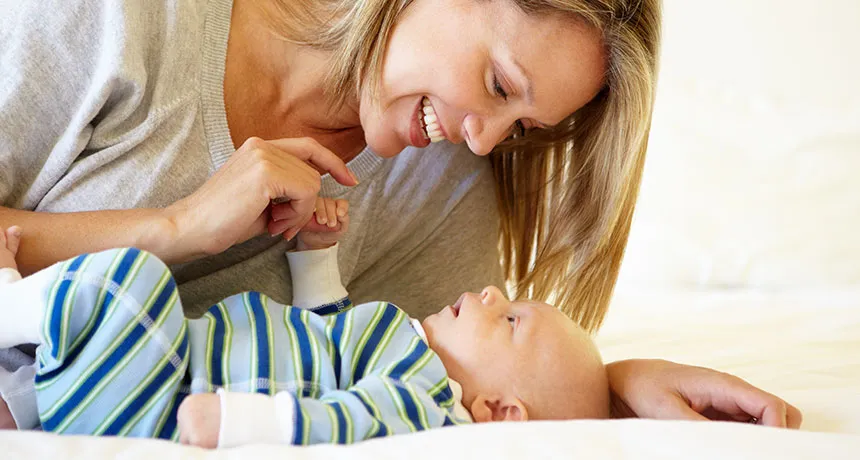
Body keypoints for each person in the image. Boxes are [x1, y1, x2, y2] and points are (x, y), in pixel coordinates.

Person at [0, 0, 801, 431]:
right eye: (496, 84)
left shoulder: (440, 191)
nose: (485, 141)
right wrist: (176, 229)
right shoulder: (121, 20)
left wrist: (610, 391)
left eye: (521, 126)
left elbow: (459, 390)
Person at [0, 203, 609, 446]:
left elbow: (345, 420)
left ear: (499, 411)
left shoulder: (426, 404)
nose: (490, 290)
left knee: (135, 283)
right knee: (40, 375)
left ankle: (9, 302)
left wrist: (240, 421)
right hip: (151, 374)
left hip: (165, 401)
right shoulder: (401, 347)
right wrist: (316, 255)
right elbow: (323, 337)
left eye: (508, 318)